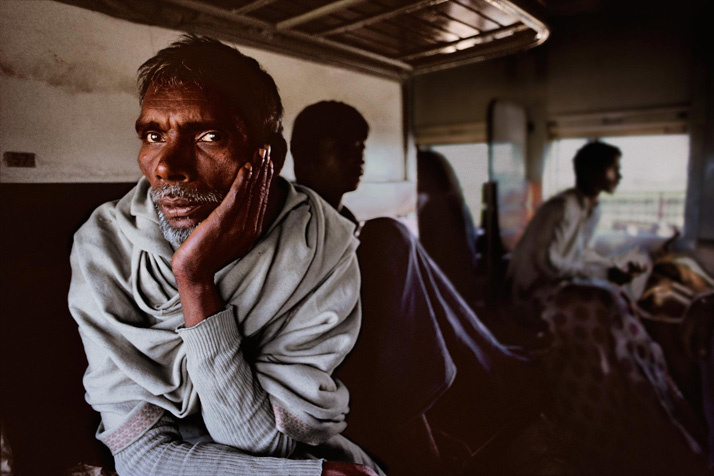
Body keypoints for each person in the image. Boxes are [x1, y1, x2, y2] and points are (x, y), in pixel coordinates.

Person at [68, 36, 381, 476]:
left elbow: (257, 441)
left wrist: (195, 284)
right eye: (154, 135)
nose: (166, 165)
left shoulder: (321, 244)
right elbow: (139, 455)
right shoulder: (105, 247)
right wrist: (194, 277)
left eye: (209, 136)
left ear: (269, 156)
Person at [291, 101, 543, 475]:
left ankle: (496, 362)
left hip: (365, 333)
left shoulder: (344, 219)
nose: (357, 157)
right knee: (390, 234)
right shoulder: (294, 221)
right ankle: (494, 367)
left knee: (402, 247)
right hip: (335, 348)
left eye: (360, 147)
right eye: (341, 147)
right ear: (305, 155)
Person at [506, 141, 646, 319]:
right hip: (531, 293)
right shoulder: (561, 208)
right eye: (613, 169)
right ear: (592, 171)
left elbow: (579, 254)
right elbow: (548, 264)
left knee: (622, 298)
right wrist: (604, 274)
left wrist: (613, 269)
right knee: (608, 304)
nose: (619, 176)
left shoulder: (594, 209)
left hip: (557, 284)